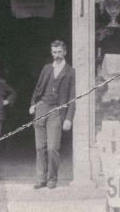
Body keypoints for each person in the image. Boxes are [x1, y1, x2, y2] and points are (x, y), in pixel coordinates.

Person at [28, 40, 75, 189]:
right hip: (42, 108)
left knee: (52, 147)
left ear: (65, 52)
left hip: (57, 111)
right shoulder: (47, 68)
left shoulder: (70, 71)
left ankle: (52, 179)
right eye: (54, 52)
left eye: (59, 52)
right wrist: (33, 104)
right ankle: (41, 179)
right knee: (40, 147)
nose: (57, 55)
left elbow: (72, 97)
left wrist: (68, 118)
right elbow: (38, 87)